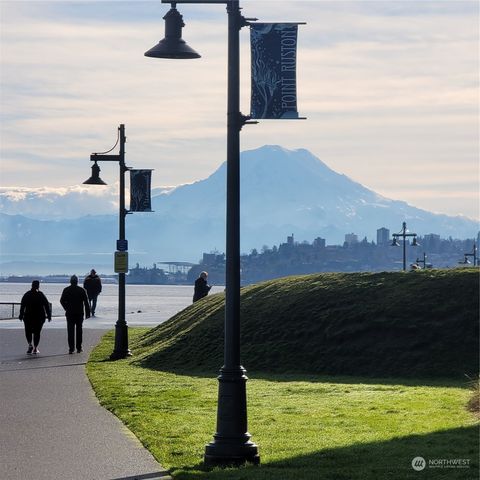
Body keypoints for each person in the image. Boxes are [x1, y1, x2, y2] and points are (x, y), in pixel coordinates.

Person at [19, 280, 51, 355]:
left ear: (31, 285)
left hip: (28, 316)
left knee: (28, 331)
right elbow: (46, 305)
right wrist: (49, 315)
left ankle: (30, 344)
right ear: (38, 286)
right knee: (37, 332)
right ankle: (35, 348)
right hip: (39, 317)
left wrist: (21, 315)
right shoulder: (41, 294)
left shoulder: (27, 294)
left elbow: (22, 305)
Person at [60, 275, 90, 354]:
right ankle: (79, 348)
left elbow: (62, 301)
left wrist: (66, 308)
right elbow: (86, 302)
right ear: (77, 281)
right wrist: (88, 313)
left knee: (70, 331)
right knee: (79, 330)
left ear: (70, 281)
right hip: (79, 313)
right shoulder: (82, 290)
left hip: (70, 313)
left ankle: (71, 348)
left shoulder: (66, 290)